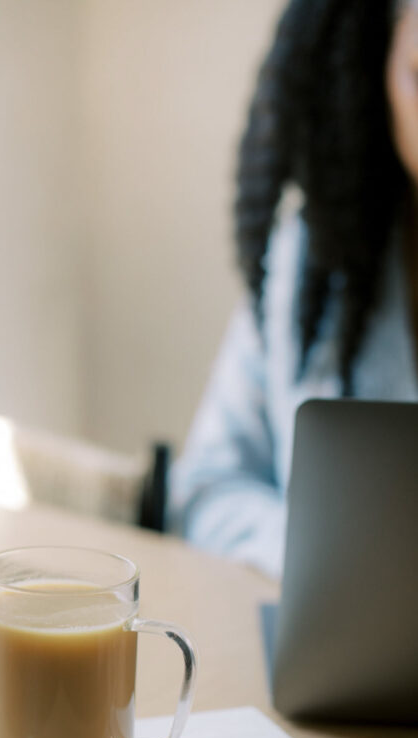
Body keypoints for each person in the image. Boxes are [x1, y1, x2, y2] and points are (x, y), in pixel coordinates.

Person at [169, 0, 418, 578]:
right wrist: (328, 561)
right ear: (378, 67)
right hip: (350, 660)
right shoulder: (314, 261)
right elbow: (209, 486)